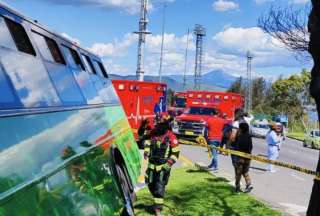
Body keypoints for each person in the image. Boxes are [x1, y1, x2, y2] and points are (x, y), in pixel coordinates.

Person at [143, 113, 180, 216]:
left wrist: (168, 164)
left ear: (165, 124)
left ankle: (158, 211)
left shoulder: (171, 136)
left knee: (159, 188)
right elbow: (147, 141)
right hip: (151, 166)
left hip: (163, 167)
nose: (156, 124)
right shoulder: (153, 133)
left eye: (159, 122)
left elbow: (176, 153)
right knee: (149, 183)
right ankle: (156, 203)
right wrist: (146, 151)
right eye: (157, 122)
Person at [234, 122, 253, 193]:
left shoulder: (240, 136)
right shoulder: (249, 136)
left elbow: (238, 145)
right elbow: (251, 147)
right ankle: (249, 184)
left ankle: (237, 187)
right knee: (245, 172)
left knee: (238, 173)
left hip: (240, 157)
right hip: (248, 156)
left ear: (241, 129)